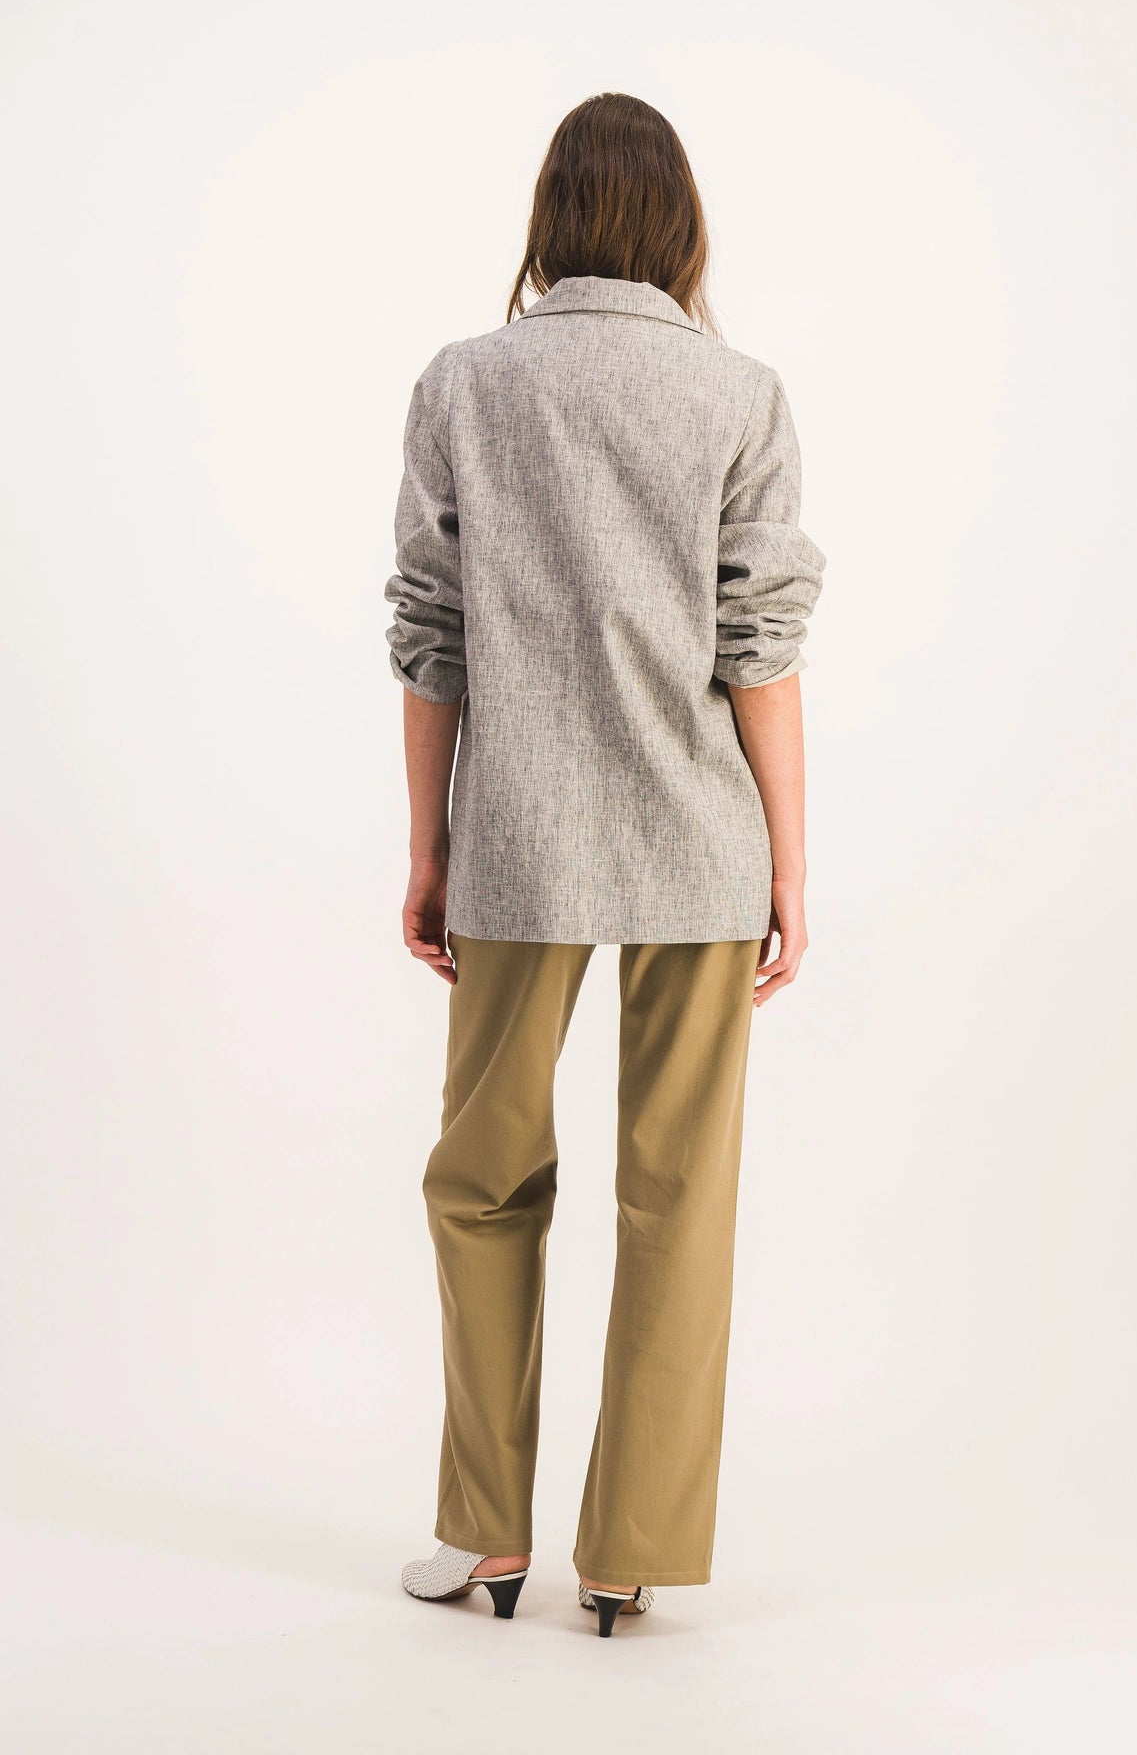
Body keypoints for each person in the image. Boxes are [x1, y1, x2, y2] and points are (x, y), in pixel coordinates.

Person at [386, 92, 826, 1639]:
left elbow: (430, 633)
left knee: (482, 1182)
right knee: (681, 1193)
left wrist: (430, 848)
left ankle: (484, 1537)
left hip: (517, 843)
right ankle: (629, 1556)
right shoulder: (739, 394)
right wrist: (788, 862)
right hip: (699, 841)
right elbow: (761, 646)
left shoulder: (466, 381)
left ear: (551, 221)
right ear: (678, 226)